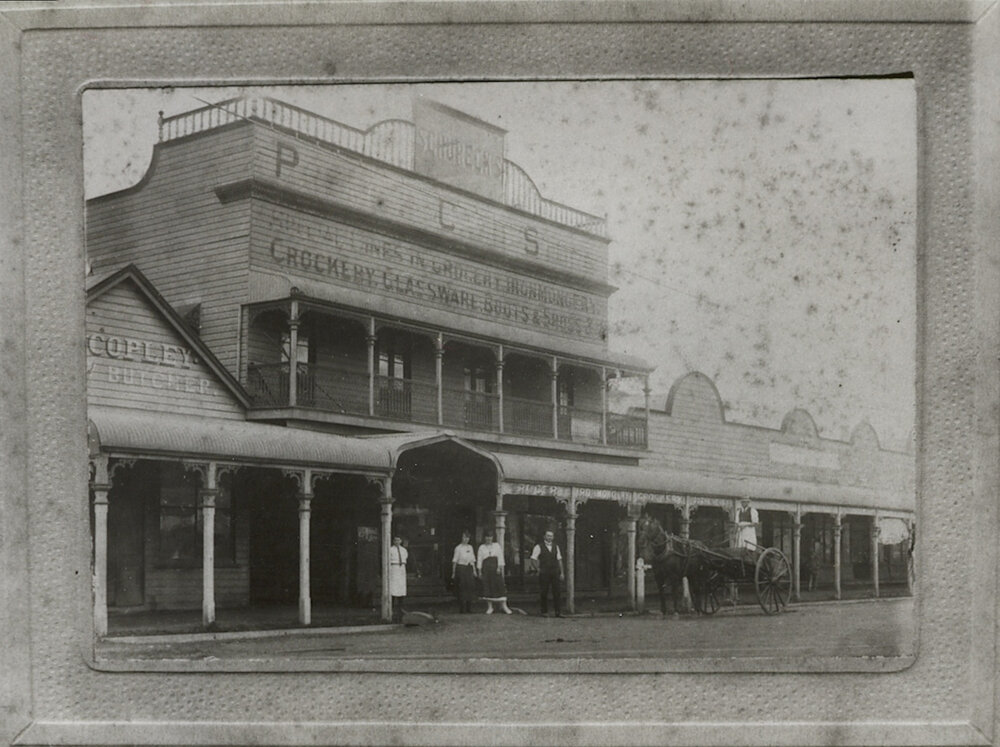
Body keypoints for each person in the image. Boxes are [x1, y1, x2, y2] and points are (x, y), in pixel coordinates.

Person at [529, 529, 564, 617]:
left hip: (555, 571)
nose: (549, 537)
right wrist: (537, 569)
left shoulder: (556, 546)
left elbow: (559, 560)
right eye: (548, 536)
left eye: (551, 536)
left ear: (553, 537)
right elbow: (533, 559)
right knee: (544, 591)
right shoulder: (539, 546)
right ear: (544, 536)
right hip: (544, 572)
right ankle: (544, 611)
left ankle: (558, 612)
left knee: (557, 591)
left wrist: (562, 572)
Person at [477, 531, 513, 615]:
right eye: (487, 537)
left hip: (495, 568)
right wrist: (479, 571)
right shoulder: (481, 547)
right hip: (486, 569)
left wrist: (499, 567)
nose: (488, 538)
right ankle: (490, 607)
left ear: (492, 538)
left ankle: (504, 606)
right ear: (484, 538)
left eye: (490, 537)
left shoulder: (496, 546)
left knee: (499, 586)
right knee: (488, 587)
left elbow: (500, 557)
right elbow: (479, 560)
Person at [451, 530, 478, 613]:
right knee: (462, 588)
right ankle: (462, 608)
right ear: (461, 538)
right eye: (464, 537)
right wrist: (454, 572)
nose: (466, 539)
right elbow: (455, 561)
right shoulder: (458, 548)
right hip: (461, 568)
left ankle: (469, 608)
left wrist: (474, 570)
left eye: (467, 537)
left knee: (470, 587)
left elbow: (472, 560)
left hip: (469, 568)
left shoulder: (470, 547)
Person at [388, 535, 408, 623]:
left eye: (398, 540)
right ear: (393, 541)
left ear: (401, 541)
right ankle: (391, 607)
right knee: (393, 587)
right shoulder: (390, 549)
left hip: (401, 568)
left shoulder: (404, 550)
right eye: (395, 540)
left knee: (401, 587)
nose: (397, 542)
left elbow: (405, 559)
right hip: (394, 567)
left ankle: (400, 607)